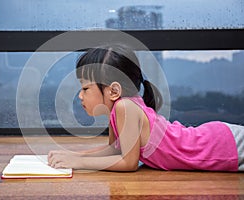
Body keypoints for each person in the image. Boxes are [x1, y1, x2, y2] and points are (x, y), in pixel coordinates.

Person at [48, 44, 244, 172]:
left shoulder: (126, 107)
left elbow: (128, 162)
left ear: (113, 91)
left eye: (85, 88)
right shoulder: (120, 109)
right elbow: (114, 151)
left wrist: (79, 163)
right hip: (221, 142)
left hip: (225, 147)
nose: (80, 95)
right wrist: (73, 156)